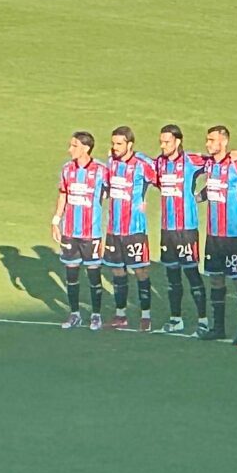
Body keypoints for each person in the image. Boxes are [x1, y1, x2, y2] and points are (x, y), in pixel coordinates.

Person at [145, 122, 204, 335]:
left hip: (187, 228)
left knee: (192, 274)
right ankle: (175, 319)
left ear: (178, 141)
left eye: (166, 142)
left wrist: (202, 196)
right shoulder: (159, 163)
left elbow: (218, 167)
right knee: (171, 275)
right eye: (161, 141)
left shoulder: (191, 161)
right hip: (166, 229)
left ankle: (203, 320)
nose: (162, 146)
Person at [96, 126, 155, 331]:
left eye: (119, 144)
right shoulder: (111, 162)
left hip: (135, 228)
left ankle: (146, 315)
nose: (115, 147)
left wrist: (144, 198)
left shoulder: (142, 163)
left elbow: (161, 178)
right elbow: (105, 185)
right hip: (114, 228)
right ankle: (120, 315)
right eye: (113, 143)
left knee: (140, 270)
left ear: (130, 144)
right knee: (117, 271)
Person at [194, 126, 237, 343]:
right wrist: (196, 198)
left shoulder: (236, 164)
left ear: (224, 141)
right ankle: (218, 327)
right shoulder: (209, 164)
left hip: (233, 234)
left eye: (212, 140)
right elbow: (212, 187)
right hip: (213, 234)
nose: (208, 144)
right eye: (207, 140)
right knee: (216, 279)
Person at [50, 129, 106, 330]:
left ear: (86, 148)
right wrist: (56, 220)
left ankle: (96, 315)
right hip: (70, 232)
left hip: (91, 233)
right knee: (71, 274)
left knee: (93, 274)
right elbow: (63, 195)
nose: (69, 149)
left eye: (74, 146)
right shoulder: (67, 169)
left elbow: (115, 191)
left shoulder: (101, 170)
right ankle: (74, 314)